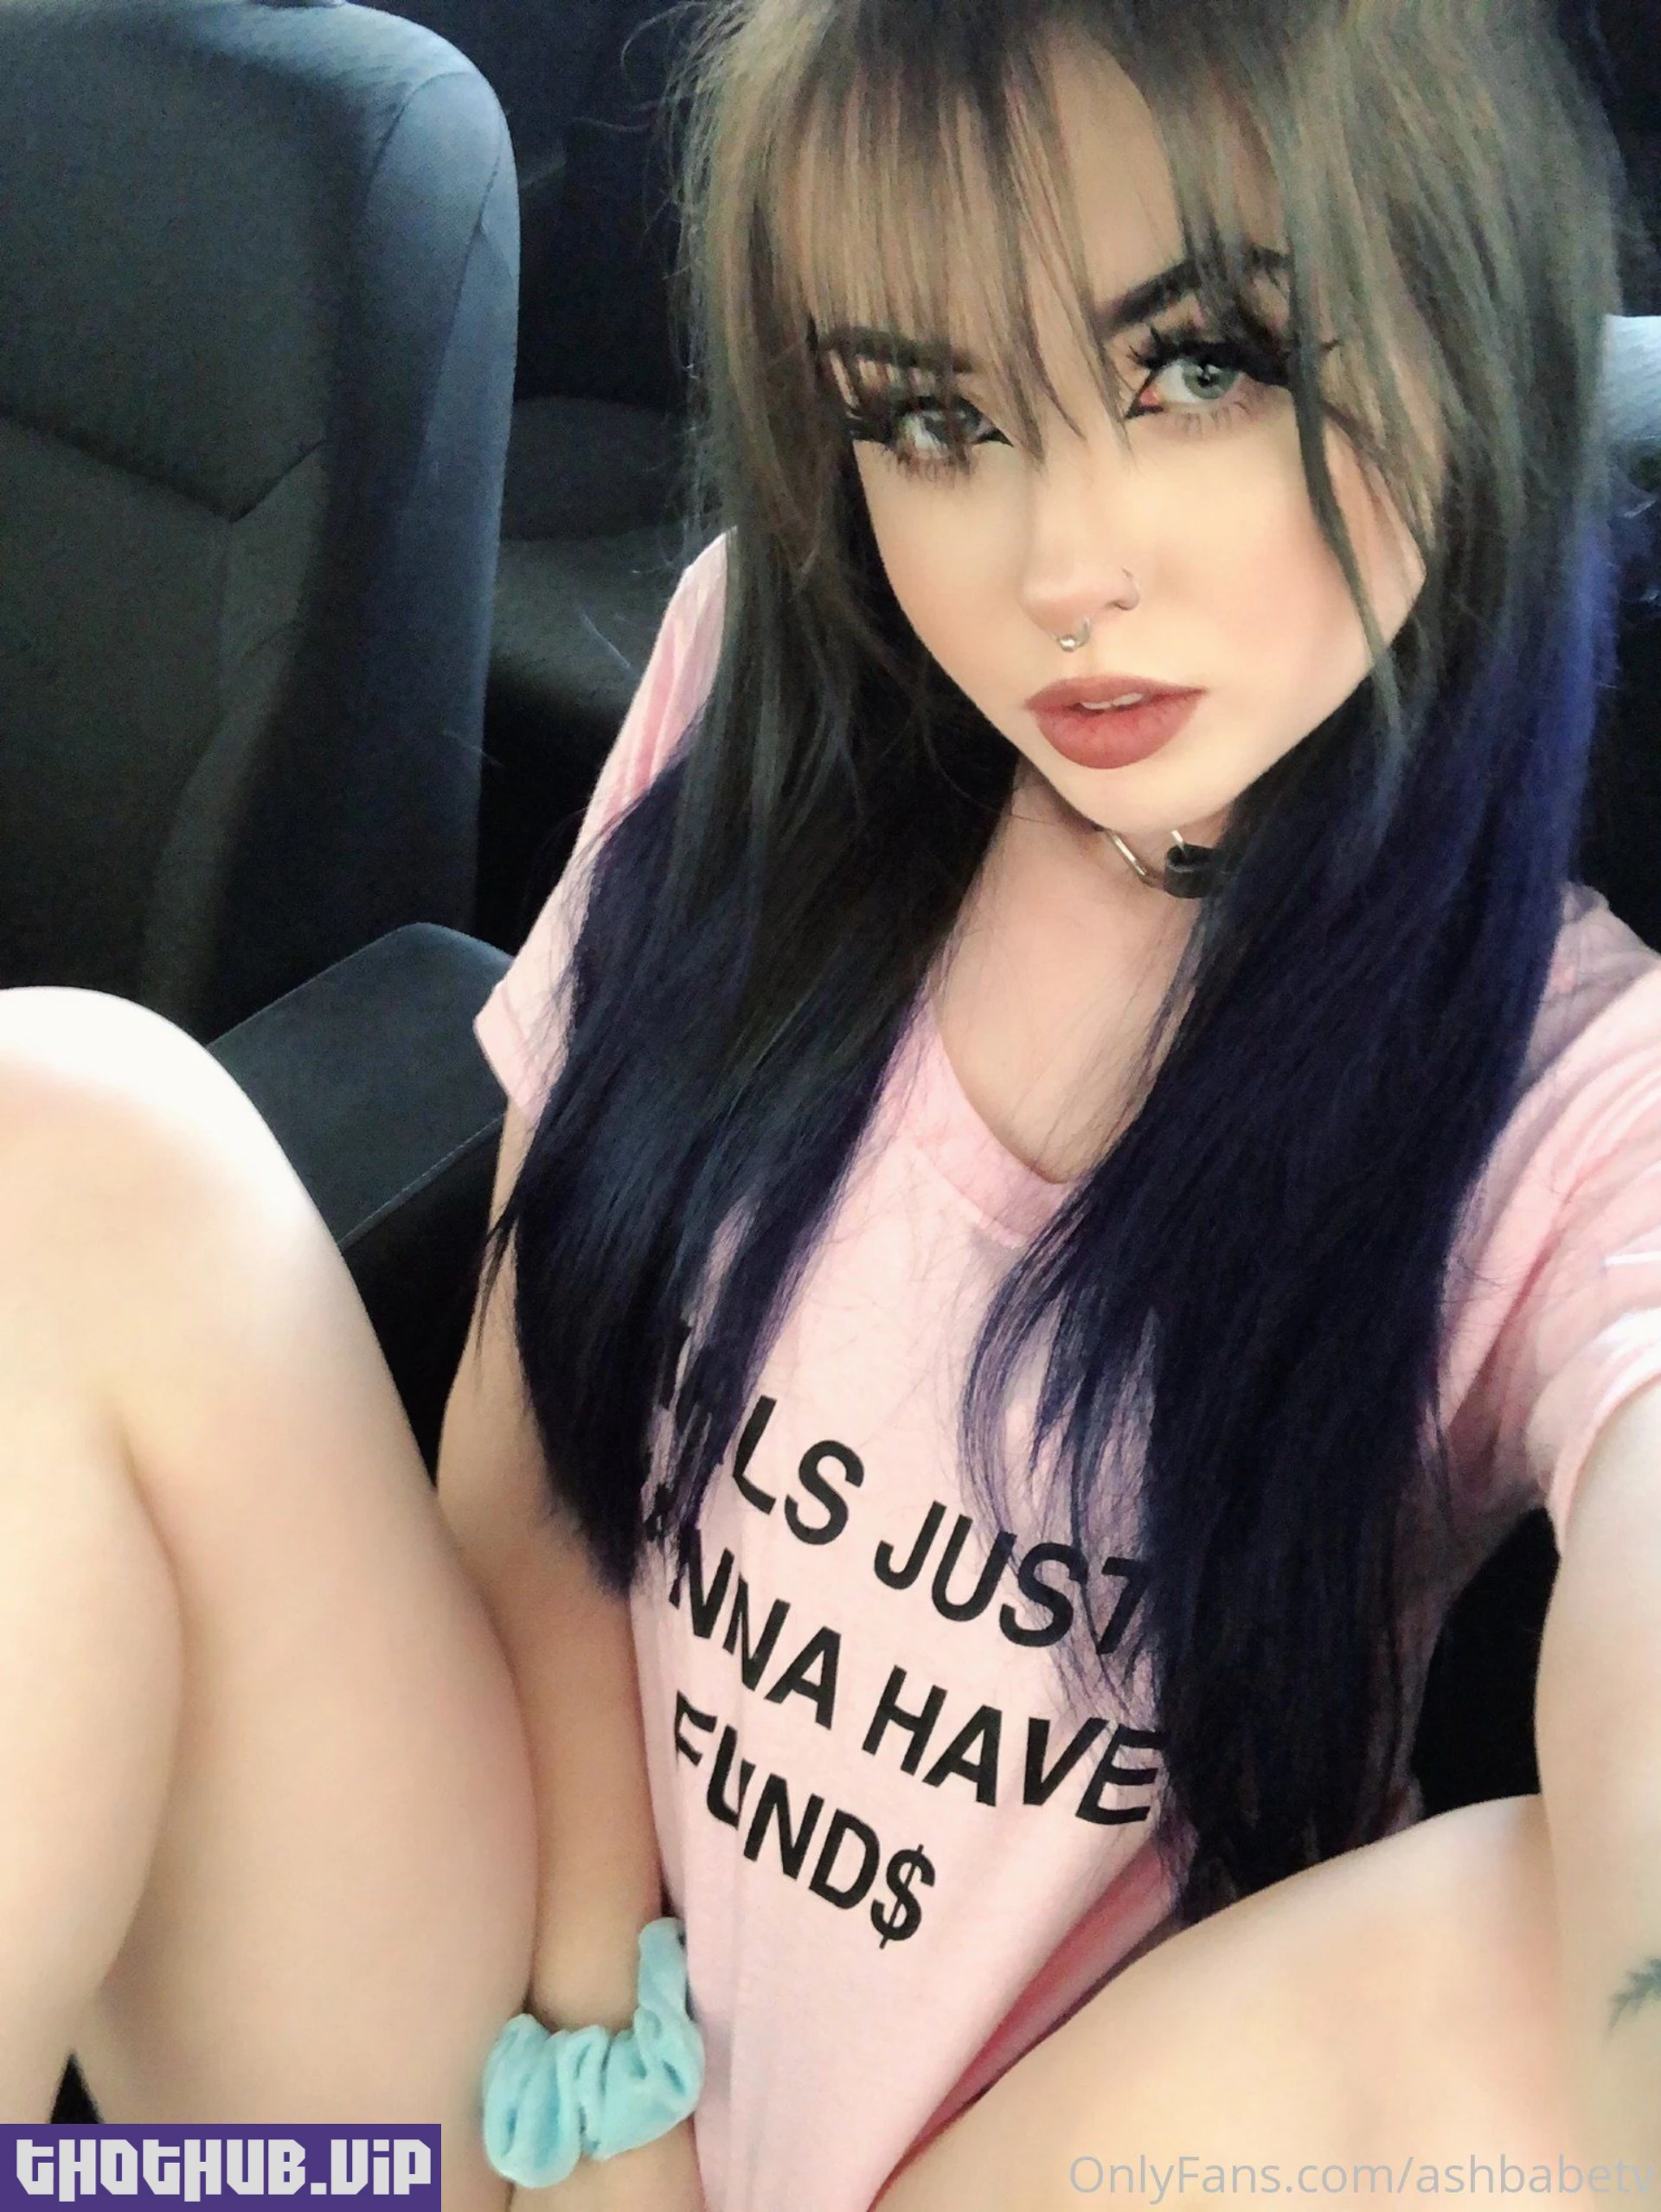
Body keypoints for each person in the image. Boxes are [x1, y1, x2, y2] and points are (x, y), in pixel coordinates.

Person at [2, 6, 1657, 2212]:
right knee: (63, 1134)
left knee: (1509, 1979)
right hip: (514, 2052)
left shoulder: (1572, 1089)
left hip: (1024, 2160)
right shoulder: (766, 701)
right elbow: (542, 1414)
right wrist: (603, 2080)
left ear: (1463, 301)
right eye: (935, 415)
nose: (1059, 565)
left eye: (1199, 368)